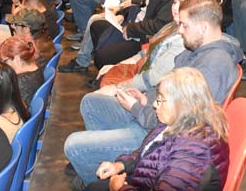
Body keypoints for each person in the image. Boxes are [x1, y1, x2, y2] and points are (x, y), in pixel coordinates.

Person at [64, 0, 242, 186]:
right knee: (91, 102)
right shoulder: (199, 51)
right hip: (153, 113)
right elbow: (174, 101)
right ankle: (98, 156)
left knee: (74, 146)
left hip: (155, 130)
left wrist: (138, 108)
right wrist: (145, 100)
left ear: (203, 27)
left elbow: (176, 122)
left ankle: (95, 174)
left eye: (184, 25)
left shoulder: (212, 66)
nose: (180, 31)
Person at [84, 67, 229, 191]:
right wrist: (121, 165)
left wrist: (119, 188)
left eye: (160, 99)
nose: (154, 104)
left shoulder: (193, 153)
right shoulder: (176, 121)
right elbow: (148, 152)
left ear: (181, 104)